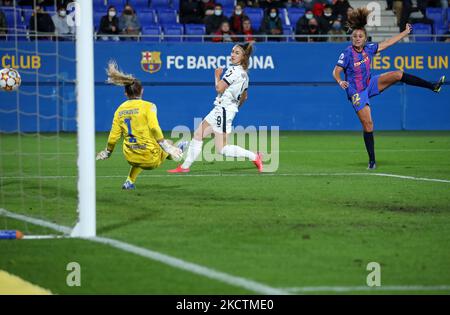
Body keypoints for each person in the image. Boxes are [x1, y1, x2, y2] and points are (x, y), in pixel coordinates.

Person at [332, 8, 445, 170]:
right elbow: (336, 71)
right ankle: (372, 161)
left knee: (398, 74)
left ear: (365, 38)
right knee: (368, 125)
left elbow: (388, 43)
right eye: (355, 36)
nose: (357, 39)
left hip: (370, 83)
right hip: (356, 92)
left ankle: (433, 86)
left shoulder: (369, 48)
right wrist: (339, 81)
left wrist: (405, 32)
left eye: (360, 36)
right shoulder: (347, 53)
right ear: (351, 38)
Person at [168, 43, 263, 174]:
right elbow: (244, 97)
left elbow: (219, 88)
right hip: (222, 109)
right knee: (198, 134)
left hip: (223, 111)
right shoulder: (244, 74)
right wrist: (234, 108)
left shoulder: (233, 71)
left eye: (237, 53)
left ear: (243, 57)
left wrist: (217, 75)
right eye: (232, 51)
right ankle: (184, 167)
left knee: (222, 148)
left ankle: (254, 156)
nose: (232, 55)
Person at [96, 61, 184, 190]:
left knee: (140, 149)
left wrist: (107, 152)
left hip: (130, 156)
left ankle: (129, 182)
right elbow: (154, 127)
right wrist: (167, 147)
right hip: (150, 159)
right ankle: (177, 150)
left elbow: (113, 137)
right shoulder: (149, 106)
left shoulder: (119, 110)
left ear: (126, 93)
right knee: (168, 143)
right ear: (142, 91)